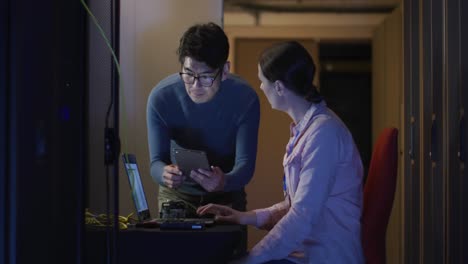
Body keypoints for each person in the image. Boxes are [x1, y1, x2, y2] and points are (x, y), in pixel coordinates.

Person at [197, 41, 365, 264]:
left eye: (262, 80)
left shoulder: (324, 134)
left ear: (278, 87)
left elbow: (302, 215)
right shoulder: (306, 129)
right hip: (305, 253)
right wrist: (245, 217)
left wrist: (250, 259)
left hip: (326, 256)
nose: (260, 86)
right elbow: (294, 204)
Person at [146, 22, 260, 220]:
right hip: (176, 195)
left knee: (227, 250)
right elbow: (156, 162)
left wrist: (224, 181)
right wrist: (164, 173)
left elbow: (246, 165)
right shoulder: (161, 98)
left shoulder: (245, 99)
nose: (195, 85)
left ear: (225, 71)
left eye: (206, 76)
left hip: (226, 195)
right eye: (189, 74)